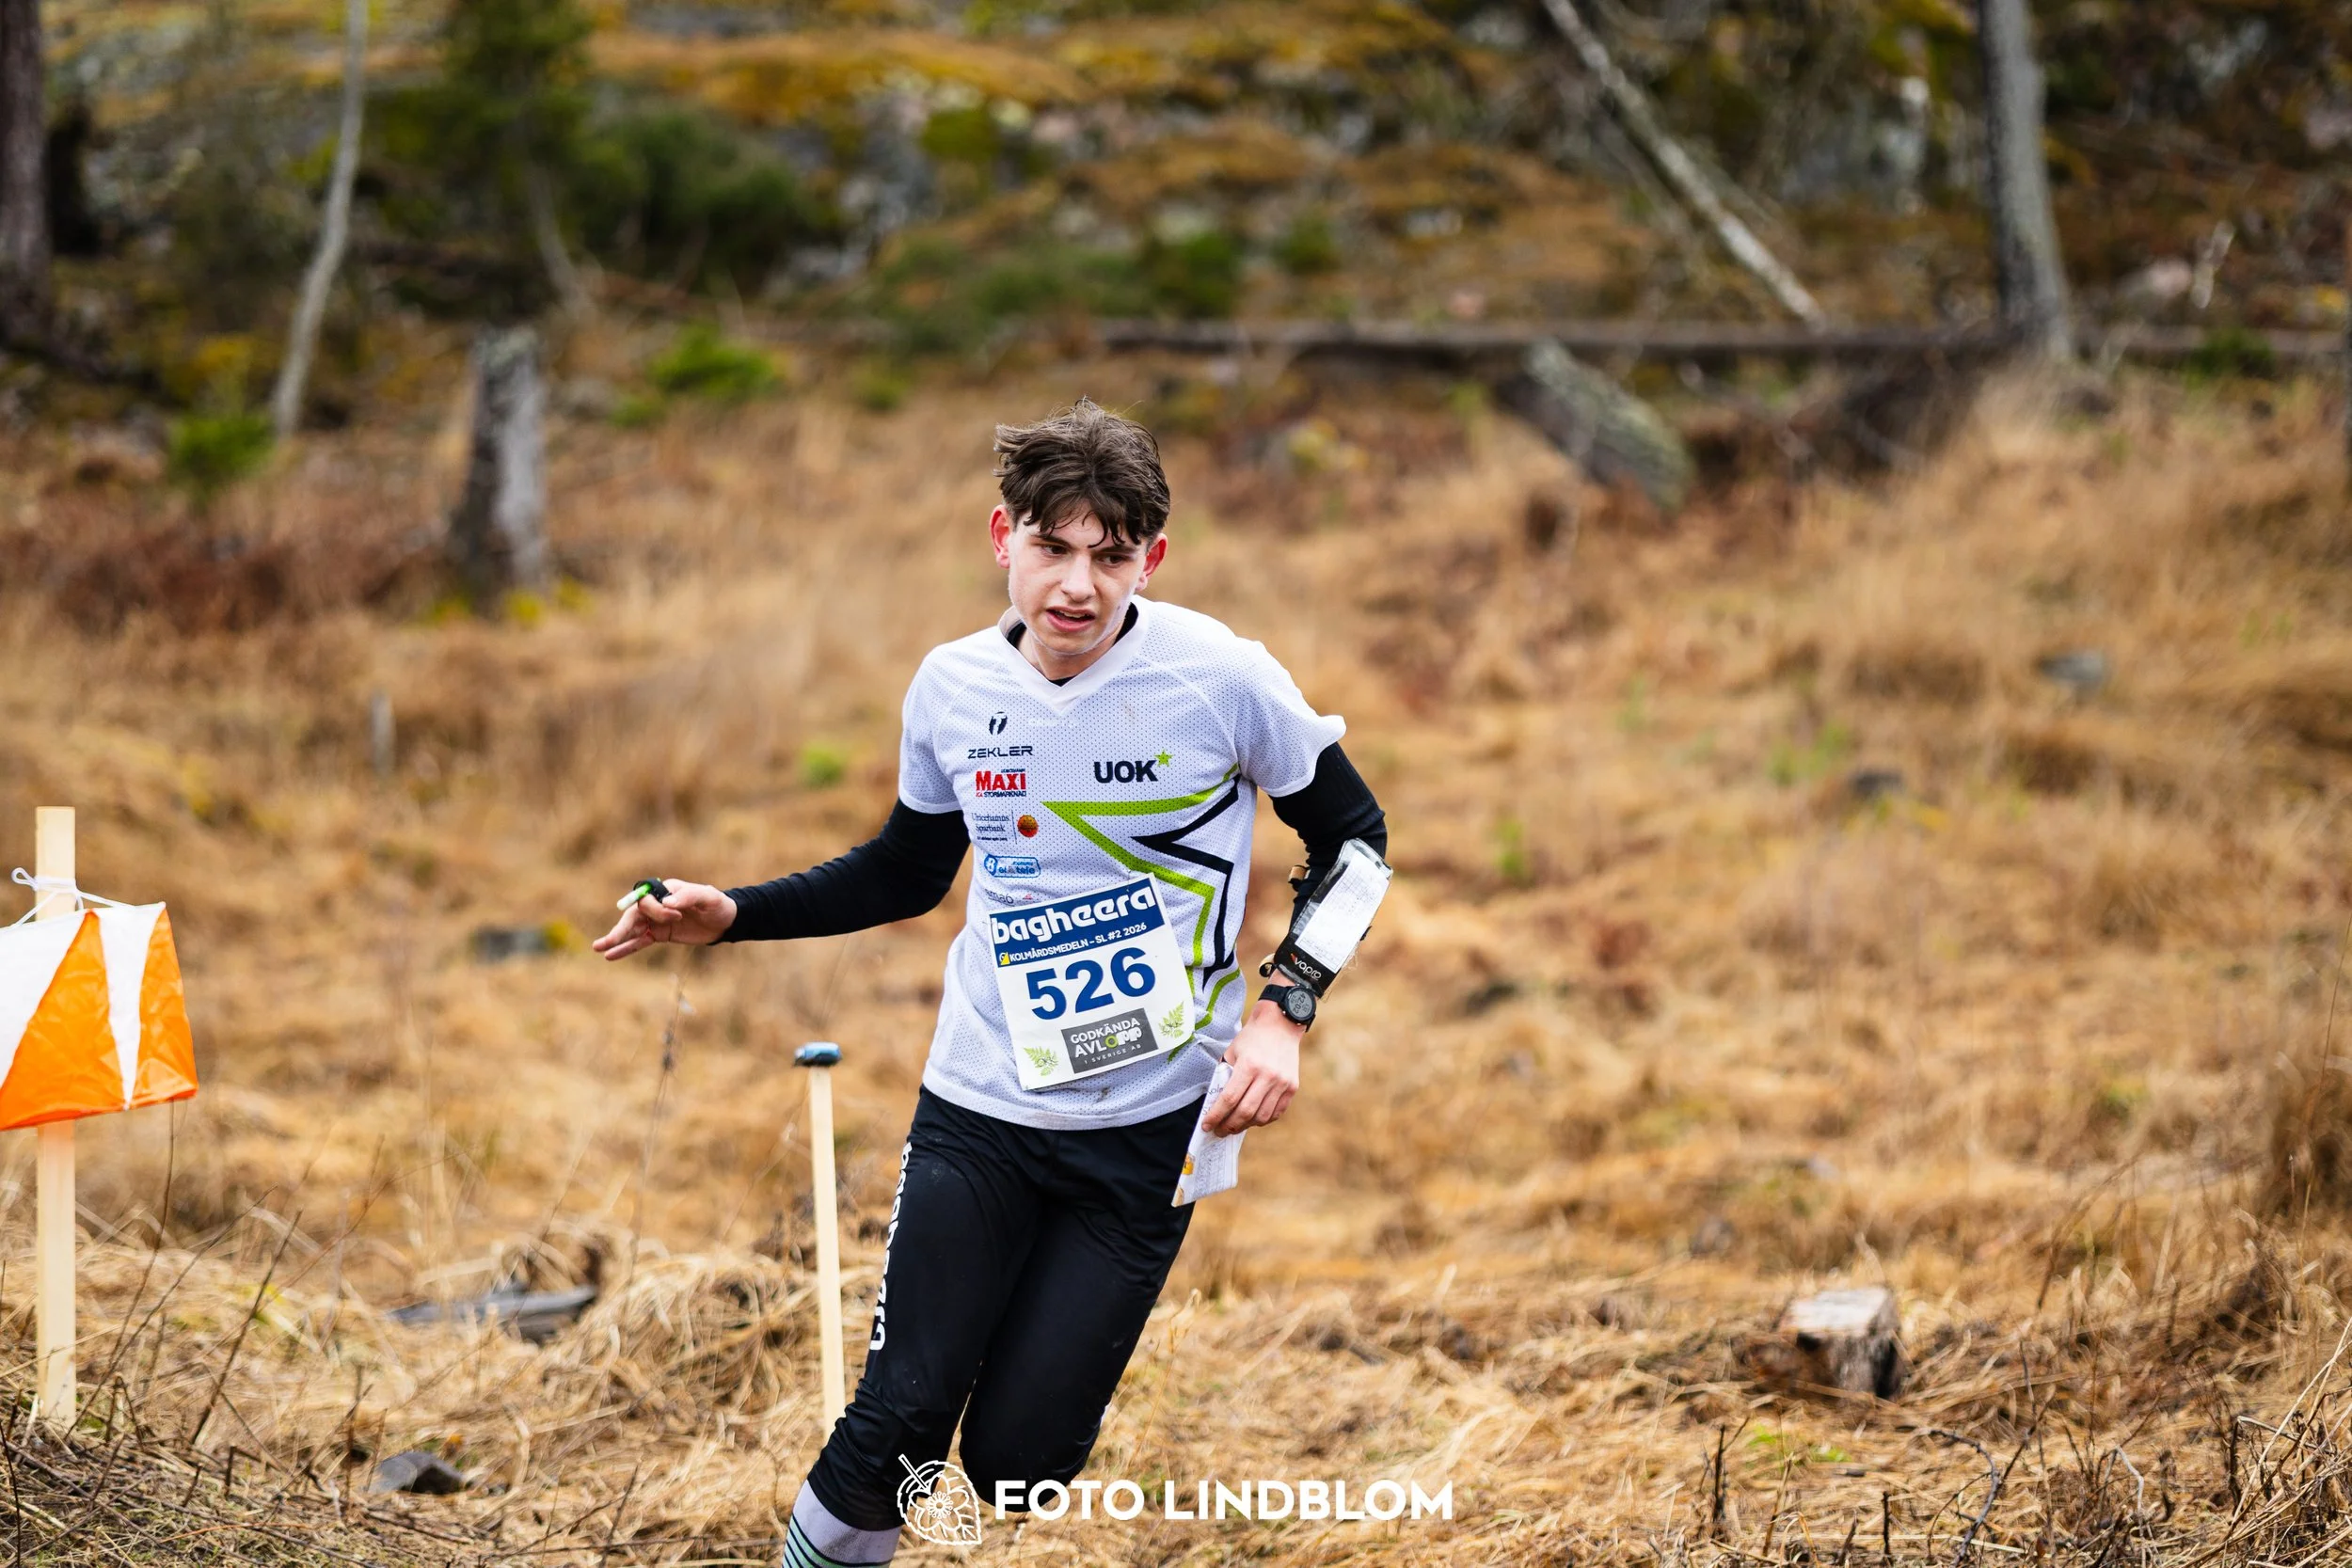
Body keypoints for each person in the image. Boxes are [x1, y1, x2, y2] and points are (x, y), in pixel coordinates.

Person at [594, 399, 1387, 1567]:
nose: (1078, 585)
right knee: (897, 1419)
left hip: (1149, 1127)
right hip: (980, 1105)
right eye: (1052, 547)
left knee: (1022, 1461)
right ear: (1001, 535)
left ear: (1153, 558)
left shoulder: (1221, 677)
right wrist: (737, 914)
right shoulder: (953, 686)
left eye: (1112, 555)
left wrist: (1285, 1008)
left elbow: (1356, 840)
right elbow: (908, 870)